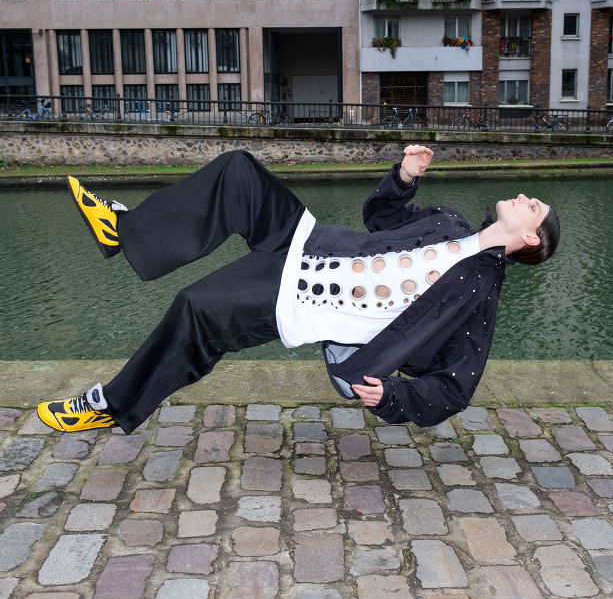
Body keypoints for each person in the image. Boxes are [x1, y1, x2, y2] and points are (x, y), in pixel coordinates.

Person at [37, 147, 560, 434]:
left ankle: (111, 404)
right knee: (239, 171)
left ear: (531, 238)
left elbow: (455, 386)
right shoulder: (450, 222)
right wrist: (404, 177)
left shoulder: (479, 293)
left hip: (303, 298)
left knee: (194, 309)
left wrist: (394, 396)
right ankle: (123, 231)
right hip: (309, 241)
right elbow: (379, 220)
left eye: (533, 206)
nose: (523, 197)